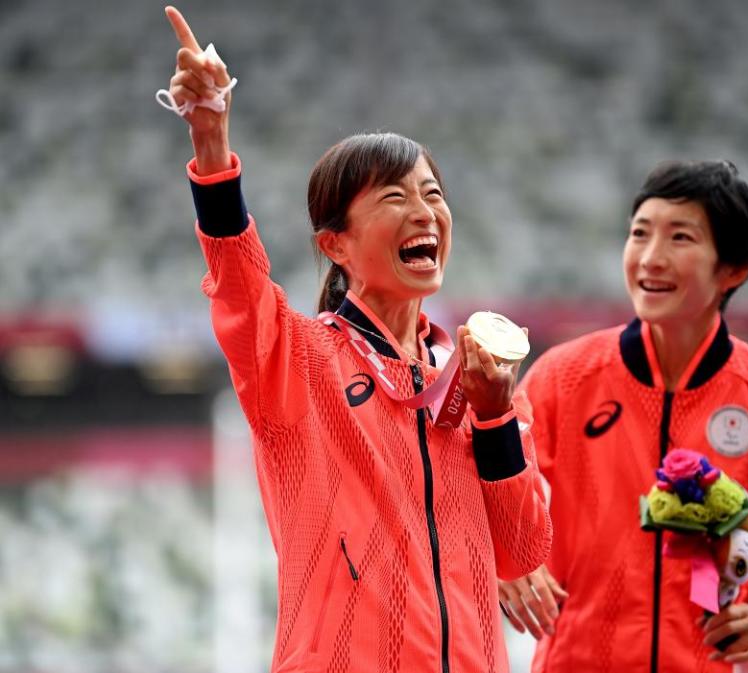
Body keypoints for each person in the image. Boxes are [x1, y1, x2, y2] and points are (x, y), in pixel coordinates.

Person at [160, 7, 551, 672]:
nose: (424, 211)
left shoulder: (480, 381)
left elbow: (522, 550)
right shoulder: (301, 361)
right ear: (334, 245)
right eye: (394, 198)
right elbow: (238, 284)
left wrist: (494, 418)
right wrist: (212, 143)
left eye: (432, 194)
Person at [499, 160, 748, 671]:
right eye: (639, 234)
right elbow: (491, 493)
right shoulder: (561, 379)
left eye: (680, 238)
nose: (650, 258)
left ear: (733, 270)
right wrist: (506, 561)